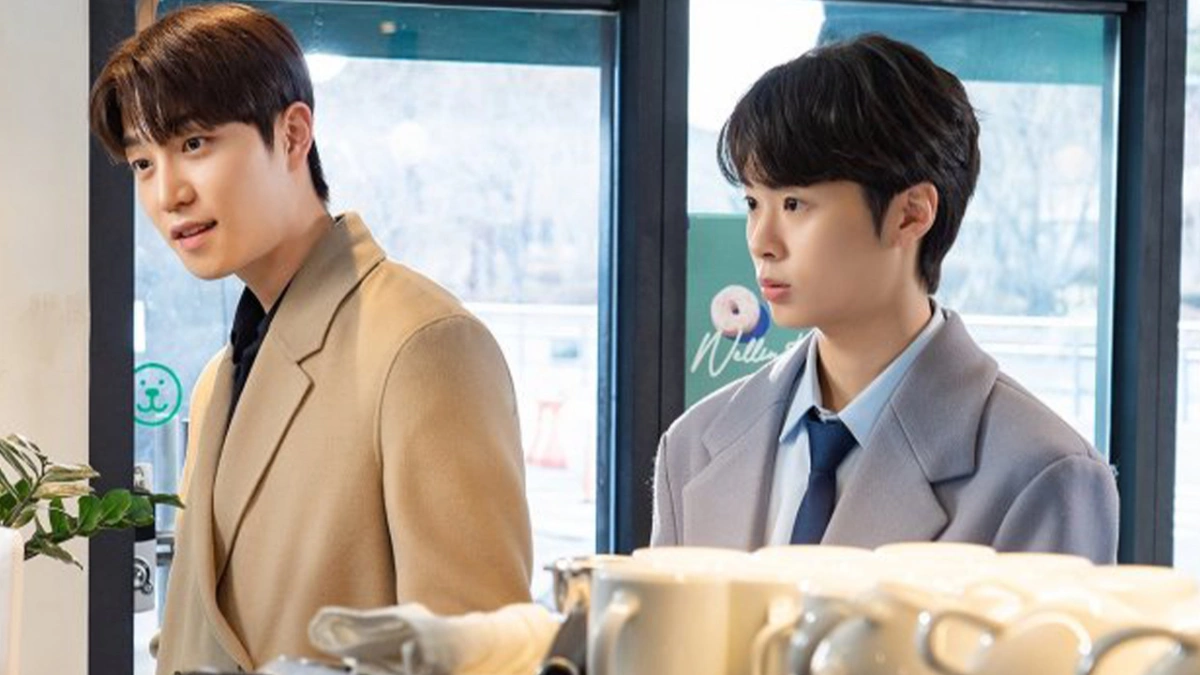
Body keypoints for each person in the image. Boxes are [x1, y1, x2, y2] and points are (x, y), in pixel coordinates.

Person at [89, 4, 533, 672]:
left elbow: (478, 655)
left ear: (293, 134)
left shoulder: (424, 346)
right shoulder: (218, 379)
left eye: (194, 144)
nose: (168, 193)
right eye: (142, 163)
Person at [650, 33, 1119, 563]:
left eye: (795, 204)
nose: (761, 240)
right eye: (754, 203)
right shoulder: (692, 445)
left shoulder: (1041, 473)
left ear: (911, 214)